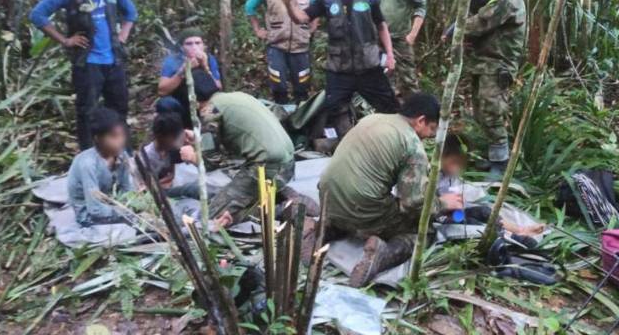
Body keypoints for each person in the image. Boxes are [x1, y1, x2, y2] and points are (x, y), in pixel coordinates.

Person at [317, 93, 464, 287]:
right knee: (423, 232)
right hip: (361, 208)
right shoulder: (411, 145)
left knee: (362, 201)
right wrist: (443, 203)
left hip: (327, 198)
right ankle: (382, 255)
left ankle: (324, 228)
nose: (429, 136)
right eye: (431, 129)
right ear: (420, 120)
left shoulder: (373, 118)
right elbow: (412, 203)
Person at [30, 0, 137, 150]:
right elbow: (37, 15)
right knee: (87, 111)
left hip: (113, 60)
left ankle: (124, 155)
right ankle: (90, 156)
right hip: (87, 63)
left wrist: (122, 36)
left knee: (119, 108)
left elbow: (131, 13)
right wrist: (64, 40)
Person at [282, 0, 400, 133]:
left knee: (390, 107)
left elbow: (381, 26)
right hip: (339, 70)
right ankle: (344, 143)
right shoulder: (327, 0)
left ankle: (394, 139)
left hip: (369, 66)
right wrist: (289, 4)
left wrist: (390, 55)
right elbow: (301, 18)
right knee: (335, 109)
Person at [178, 79, 299, 228]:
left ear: (194, 102)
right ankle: (276, 200)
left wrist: (191, 156)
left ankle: (281, 209)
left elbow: (211, 162)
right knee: (233, 200)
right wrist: (199, 140)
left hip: (266, 167)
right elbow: (234, 141)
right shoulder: (236, 97)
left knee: (211, 217)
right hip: (287, 164)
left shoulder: (210, 110)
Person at [464, 0, 526, 176]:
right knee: (481, 111)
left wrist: (457, 26)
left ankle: (501, 163)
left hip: (497, 66)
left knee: (492, 112)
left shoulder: (506, 0)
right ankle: (494, 157)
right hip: (485, 63)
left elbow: (478, 24)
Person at [245, 0, 318, 104]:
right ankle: (281, 118)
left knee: (302, 86)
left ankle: (301, 120)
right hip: (277, 46)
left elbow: (317, 9)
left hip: (300, 47)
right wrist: (258, 30)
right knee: (278, 86)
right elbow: (250, 7)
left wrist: (311, 29)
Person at [436, 134, 544, 237]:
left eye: (460, 164)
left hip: (455, 213)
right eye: (453, 162)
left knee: (484, 212)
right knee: (470, 222)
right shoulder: (431, 175)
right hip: (438, 217)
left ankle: (519, 230)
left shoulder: (451, 177)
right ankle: (509, 237)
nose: (456, 168)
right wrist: (442, 203)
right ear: (441, 156)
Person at [369, 0, 427, 99]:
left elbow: (421, 5)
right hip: (379, 39)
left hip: (401, 38)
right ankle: (388, 116)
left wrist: (412, 35)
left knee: (408, 81)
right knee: (382, 80)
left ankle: (416, 118)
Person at [67, 107, 135, 226]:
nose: (121, 141)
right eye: (114, 137)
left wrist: (132, 203)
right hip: (89, 215)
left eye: (122, 135)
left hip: (113, 204)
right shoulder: (88, 164)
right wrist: (124, 212)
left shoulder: (122, 155)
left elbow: (127, 188)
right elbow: (95, 209)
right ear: (97, 138)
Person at [157, 28, 223, 128]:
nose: (194, 47)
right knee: (165, 104)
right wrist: (183, 71)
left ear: (203, 45)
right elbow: (162, 91)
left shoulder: (209, 59)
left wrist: (205, 67)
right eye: (189, 44)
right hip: (183, 104)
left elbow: (218, 87)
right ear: (182, 47)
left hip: (206, 105)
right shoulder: (173, 60)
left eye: (197, 43)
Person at [140, 112, 202, 199]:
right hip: (158, 193)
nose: (177, 140)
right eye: (173, 137)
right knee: (191, 189)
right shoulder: (147, 156)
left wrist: (195, 143)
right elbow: (144, 188)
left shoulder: (172, 148)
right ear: (160, 136)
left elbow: (172, 175)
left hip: (168, 184)